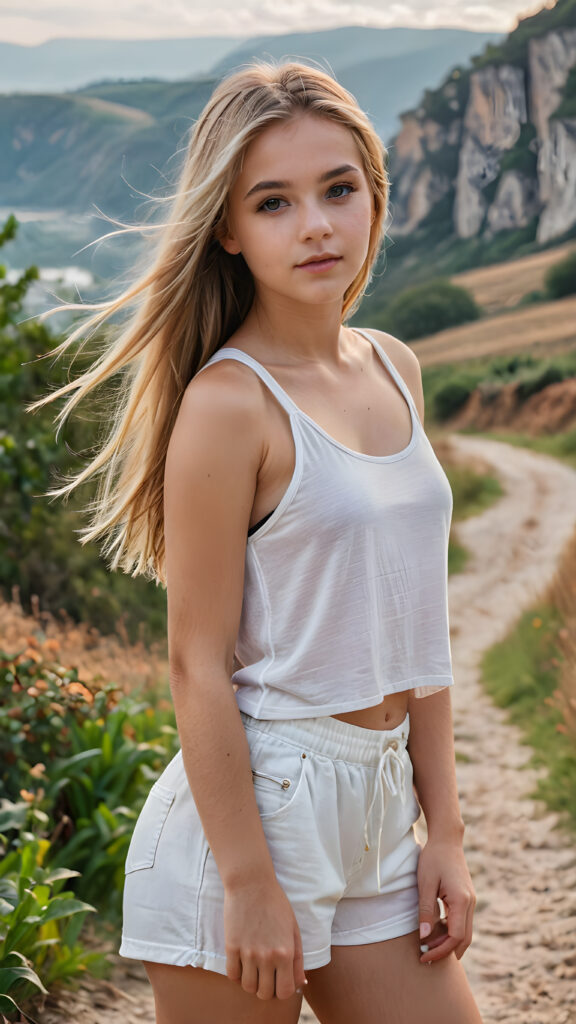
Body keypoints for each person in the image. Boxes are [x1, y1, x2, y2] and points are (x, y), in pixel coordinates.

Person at [33, 61, 483, 1023]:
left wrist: (443, 830)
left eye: (338, 189)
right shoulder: (229, 406)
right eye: (273, 203)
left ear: (373, 195)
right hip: (255, 812)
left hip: (376, 807)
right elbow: (196, 663)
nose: (316, 225)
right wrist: (245, 880)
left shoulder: (394, 367)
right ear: (229, 230)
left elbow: (421, 631)